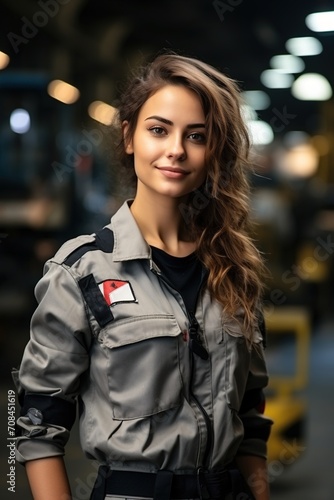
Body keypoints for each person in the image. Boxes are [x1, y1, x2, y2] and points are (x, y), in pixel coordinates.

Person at [14, 52, 273, 500]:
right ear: (129, 136)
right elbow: (35, 426)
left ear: (214, 151)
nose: (176, 149)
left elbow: (250, 418)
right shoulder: (82, 273)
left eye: (197, 136)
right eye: (159, 130)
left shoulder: (235, 270)